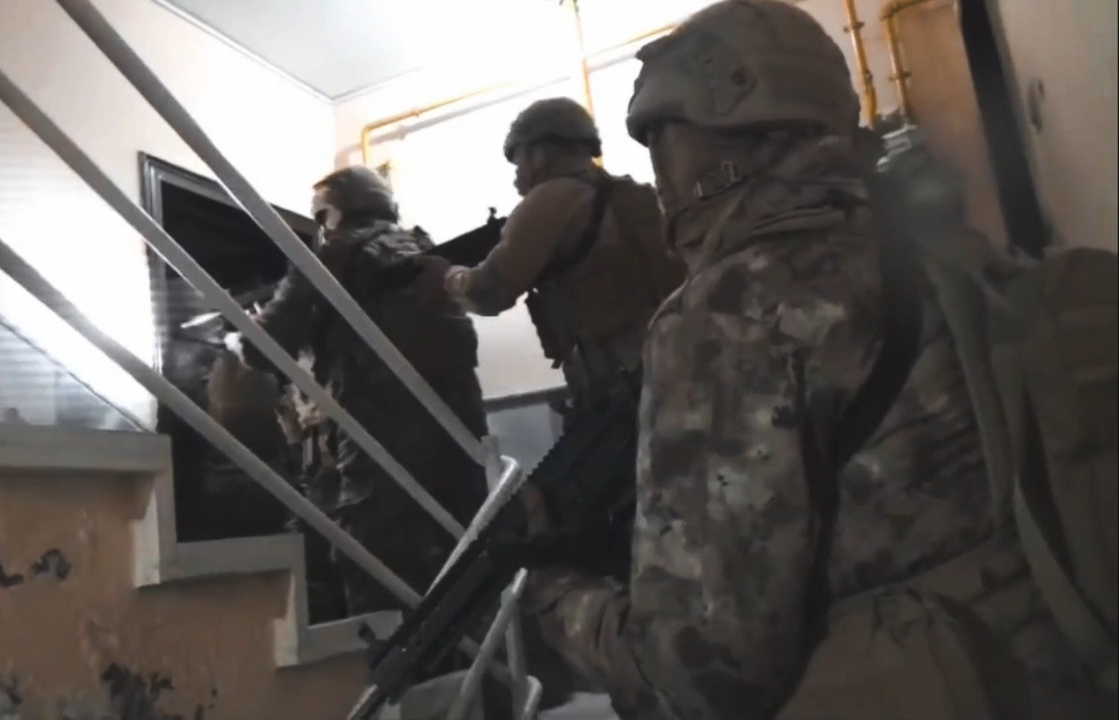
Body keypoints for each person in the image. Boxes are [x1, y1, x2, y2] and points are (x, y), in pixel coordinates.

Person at [514, 2, 1113, 719]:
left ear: (716, 136)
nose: (660, 176)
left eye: (663, 141)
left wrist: (551, 597)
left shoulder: (728, 311)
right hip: (1055, 667)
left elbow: (702, 675)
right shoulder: (935, 243)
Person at [232, 165, 490, 617]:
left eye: (321, 214)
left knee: (377, 565)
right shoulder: (421, 247)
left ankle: (398, 662)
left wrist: (240, 337)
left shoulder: (333, 255)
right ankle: (479, 657)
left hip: (380, 427)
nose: (321, 225)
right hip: (458, 423)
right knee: (464, 554)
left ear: (338, 211)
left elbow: (264, 348)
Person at [415, 96, 683, 413]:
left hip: (621, 383)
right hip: (673, 360)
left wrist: (450, 277)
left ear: (538, 152)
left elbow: (491, 290)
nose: (517, 174)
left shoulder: (551, 199)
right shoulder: (631, 194)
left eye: (519, 162)